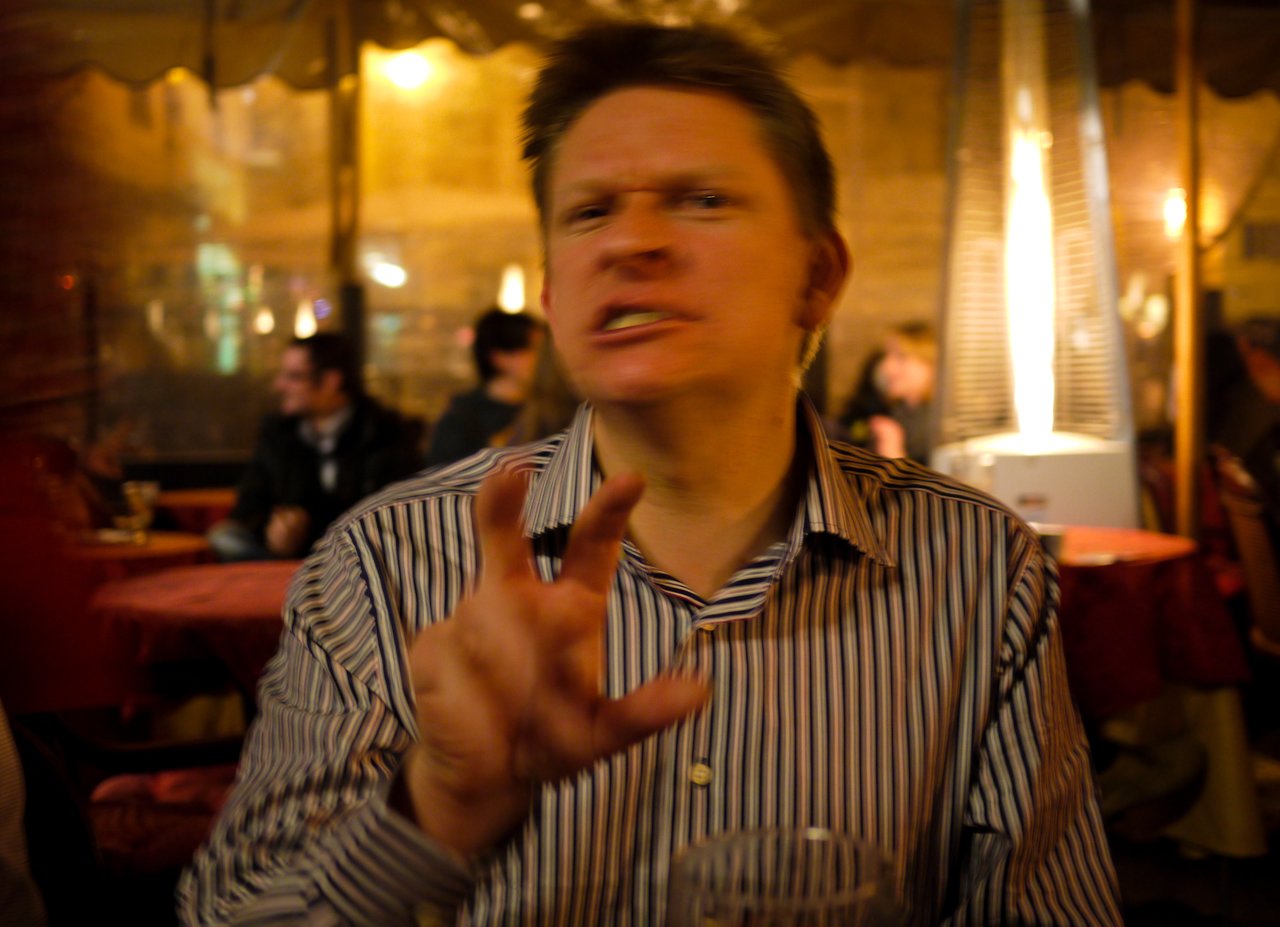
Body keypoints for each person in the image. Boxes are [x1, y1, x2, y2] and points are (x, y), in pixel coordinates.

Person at [181, 19, 1120, 926]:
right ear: (553, 295)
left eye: (701, 199)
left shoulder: (974, 560)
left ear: (818, 276)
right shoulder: (387, 563)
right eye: (590, 212)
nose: (632, 242)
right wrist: (435, 809)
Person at [207, 333, 421, 561]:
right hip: (283, 560)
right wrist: (272, 530)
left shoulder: (385, 433)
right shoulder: (277, 433)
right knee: (224, 537)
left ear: (331, 382)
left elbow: (394, 521)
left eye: (293, 377)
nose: (279, 385)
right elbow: (247, 507)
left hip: (359, 562)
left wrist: (307, 531)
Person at [425, 309, 545, 467]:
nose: (545, 358)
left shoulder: (551, 410)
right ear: (500, 358)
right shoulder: (461, 419)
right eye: (534, 349)